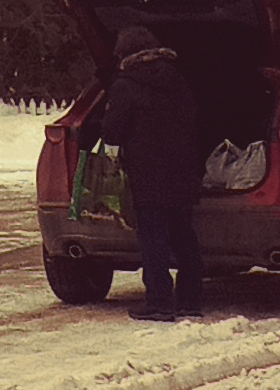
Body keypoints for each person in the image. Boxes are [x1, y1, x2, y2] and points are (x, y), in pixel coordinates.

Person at [86, 22, 207, 320]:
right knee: (184, 237)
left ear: (125, 54)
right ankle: (190, 301)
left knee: (153, 240)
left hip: (148, 175)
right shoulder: (179, 80)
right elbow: (196, 120)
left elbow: (113, 134)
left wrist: (98, 126)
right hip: (183, 171)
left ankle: (160, 303)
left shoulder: (126, 86)